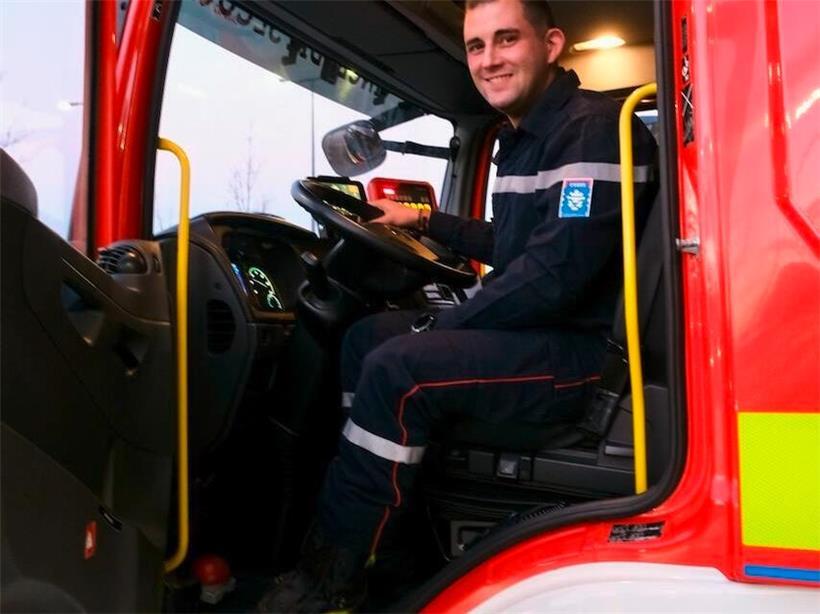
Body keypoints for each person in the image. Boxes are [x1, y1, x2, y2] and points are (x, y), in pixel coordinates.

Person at [259, 0, 657, 611]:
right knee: (367, 338)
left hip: (581, 354)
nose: (489, 59)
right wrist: (423, 220)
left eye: (506, 39)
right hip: (546, 332)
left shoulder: (590, 128)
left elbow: (554, 276)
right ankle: (389, 543)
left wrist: (443, 324)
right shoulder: (524, 139)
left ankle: (330, 580)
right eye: (476, 46)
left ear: (551, 45)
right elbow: (515, 245)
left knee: (397, 366)